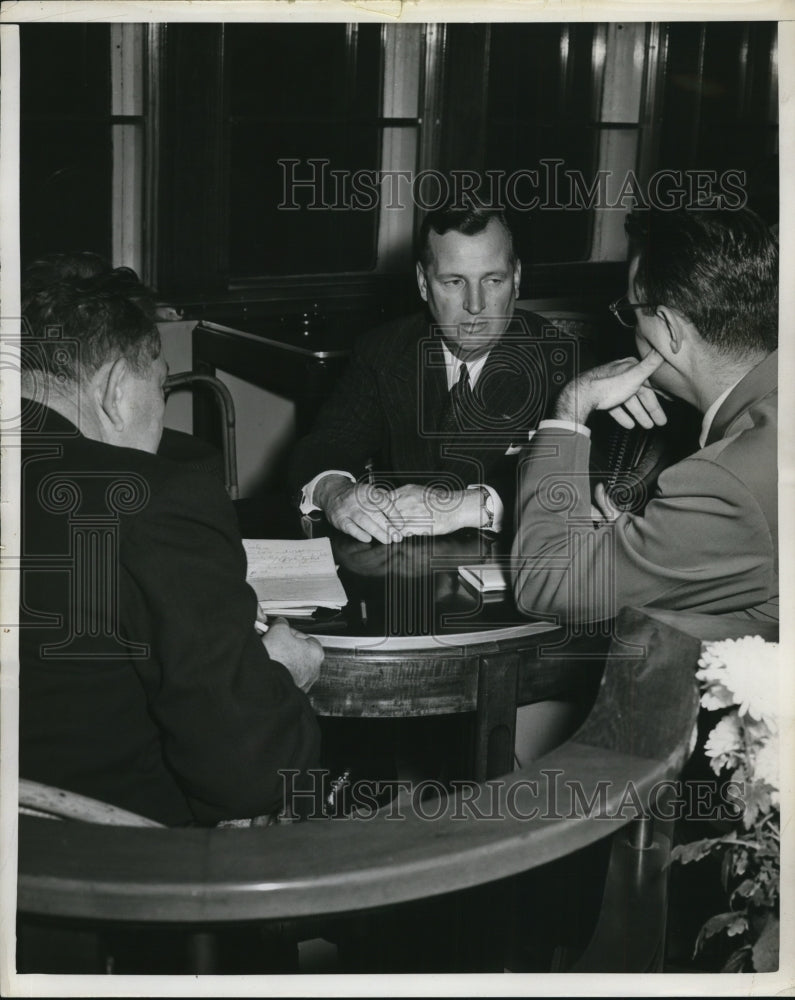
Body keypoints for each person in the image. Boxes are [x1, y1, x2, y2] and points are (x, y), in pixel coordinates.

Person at [19, 267, 323, 826]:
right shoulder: (158, 500)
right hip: (116, 860)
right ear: (115, 389)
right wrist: (281, 675)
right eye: (159, 388)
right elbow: (252, 774)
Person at [512, 206, 778, 624]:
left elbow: (545, 582)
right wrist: (656, 545)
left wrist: (572, 405)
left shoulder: (729, 484)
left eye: (632, 314)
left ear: (668, 330)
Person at [289, 201, 581, 543]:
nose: (475, 305)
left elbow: (596, 479)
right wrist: (335, 490)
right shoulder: (383, 351)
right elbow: (325, 445)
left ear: (516, 279)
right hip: (404, 560)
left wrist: (467, 506)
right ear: (423, 283)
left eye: (493, 280)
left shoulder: (561, 361)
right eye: (454, 282)